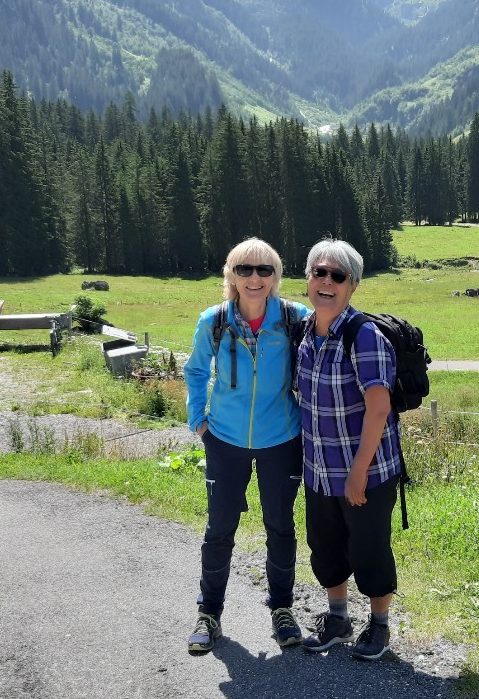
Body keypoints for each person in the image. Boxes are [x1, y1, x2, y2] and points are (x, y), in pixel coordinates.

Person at [184, 237, 310, 654]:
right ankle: (209, 614)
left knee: (280, 526)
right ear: (231, 275)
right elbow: (196, 370)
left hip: (282, 439)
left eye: (264, 270)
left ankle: (282, 611)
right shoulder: (214, 320)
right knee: (219, 528)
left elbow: (334, 336)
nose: (254, 278)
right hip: (225, 440)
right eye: (245, 270)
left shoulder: (294, 318)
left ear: (276, 277)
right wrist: (198, 422)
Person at [295, 238, 400, 661]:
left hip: (366, 472)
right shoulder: (305, 333)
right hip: (319, 468)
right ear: (308, 279)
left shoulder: (365, 336)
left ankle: (379, 627)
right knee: (326, 545)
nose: (326, 281)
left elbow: (378, 410)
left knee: (370, 547)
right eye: (319, 272)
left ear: (352, 286)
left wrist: (358, 471)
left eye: (337, 276)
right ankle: (338, 619)